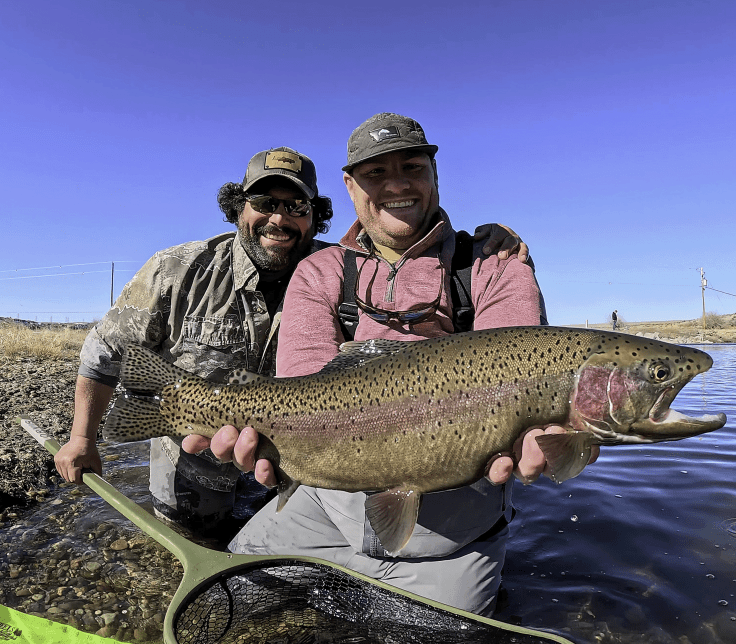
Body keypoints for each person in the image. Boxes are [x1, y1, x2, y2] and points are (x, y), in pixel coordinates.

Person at [194, 113, 598, 614]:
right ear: (349, 185)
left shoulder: (495, 264)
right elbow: (301, 392)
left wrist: (555, 437)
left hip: (452, 536)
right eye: (376, 174)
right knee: (226, 596)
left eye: (411, 167)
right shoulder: (318, 271)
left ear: (434, 173)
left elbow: (516, 364)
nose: (397, 184)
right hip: (325, 505)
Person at [54, 144, 529, 539]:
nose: (279, 219)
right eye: (264, 203)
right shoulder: (178, 268)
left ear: (316, 215)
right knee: (189, 543)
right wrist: (81, 439)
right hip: (199, 449)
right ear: (238, 207)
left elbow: (398, 293)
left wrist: (492, 243)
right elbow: (105, 355)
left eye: (296, 207)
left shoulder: (336, 273)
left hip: (304, 451)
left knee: (273, 551)